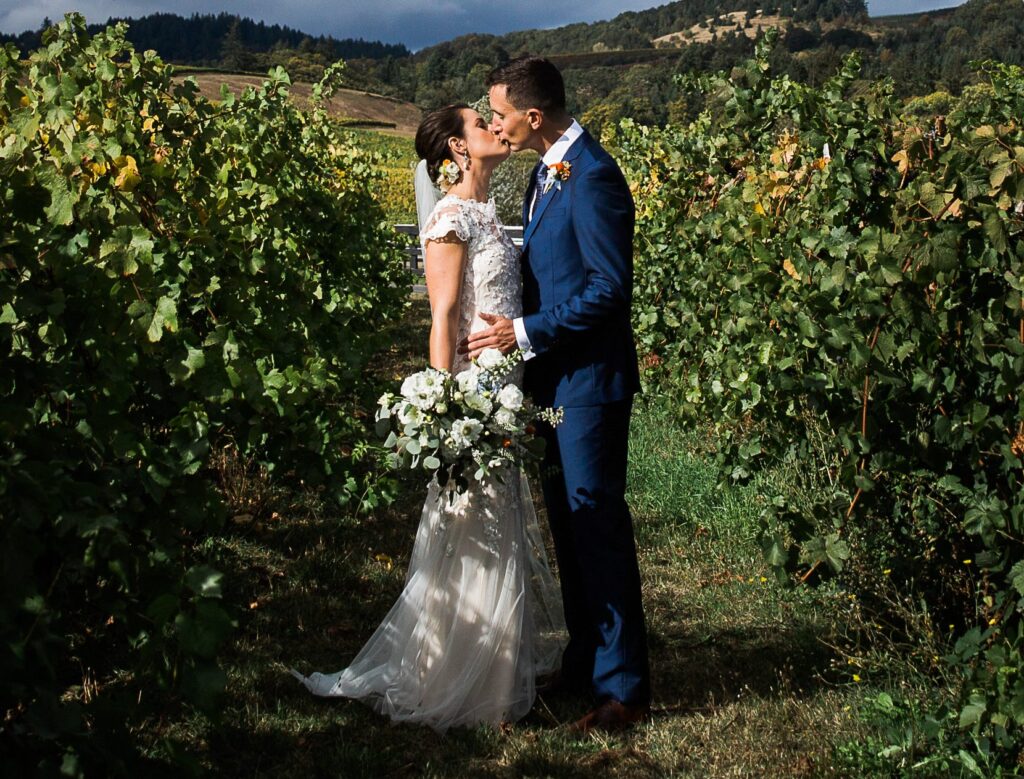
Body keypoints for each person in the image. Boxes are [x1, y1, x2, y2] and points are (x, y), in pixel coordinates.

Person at [289, 104, 565, 733]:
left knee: (502, 521)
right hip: (476, 391)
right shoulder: (448, 218)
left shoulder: (491, 213)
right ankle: (472, 688)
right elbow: (441, 319)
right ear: (457, 150)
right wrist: (446, 407)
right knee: (478, 525)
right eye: (479, 122)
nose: (495, 126)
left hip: (508, 384)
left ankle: (495, 676)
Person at [462, 56, 651, 733]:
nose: (496, 125)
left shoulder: (593, 176)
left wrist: (523, 331)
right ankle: (585, 659)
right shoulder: (546, 173)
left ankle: (622, 690)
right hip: (551, 385)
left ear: (533, 117)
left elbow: (608, 290)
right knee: (566, 523)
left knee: (597, 525)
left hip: (590, 386)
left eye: (501, 115)